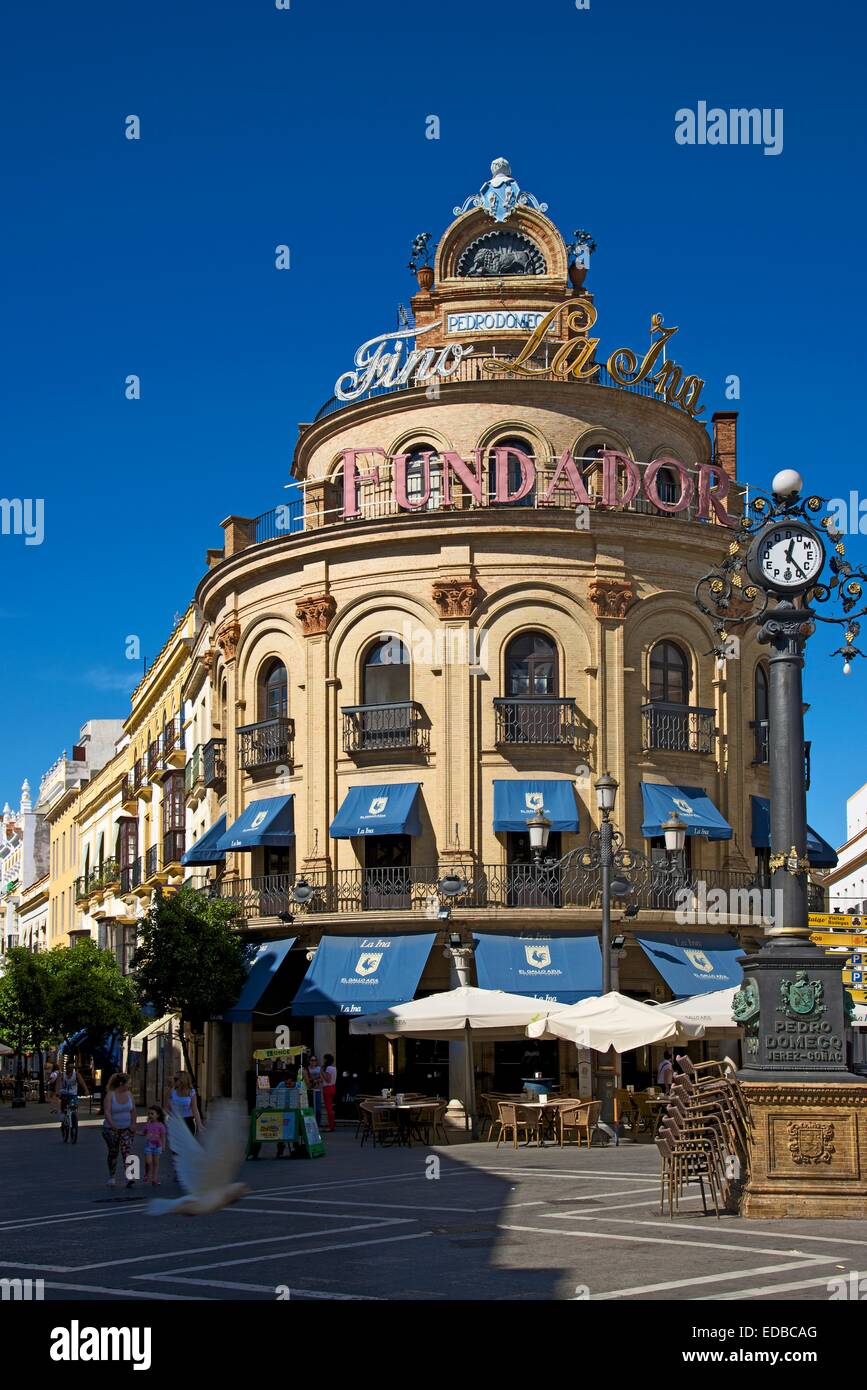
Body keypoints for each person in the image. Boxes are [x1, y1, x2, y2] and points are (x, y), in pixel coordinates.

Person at [102, 1072, 137, 1188]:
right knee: (113, 1152)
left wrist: (133, 1124)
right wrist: (112, 1125)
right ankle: (112, 1177)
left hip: (126, 1128)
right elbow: (106, 1112)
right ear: (121, 1083)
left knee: (127, 1151)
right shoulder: (110, 1095)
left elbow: (133, 1110)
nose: (130, 1086)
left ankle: (130, 1177)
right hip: (111, 1129)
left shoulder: (129, 1094)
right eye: (129, 1083)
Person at [138, 1104, 167, 1185]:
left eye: (152, 1114)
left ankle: (154, 1179)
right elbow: (143, 1133)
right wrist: (135, 1132)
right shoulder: (147, 1125)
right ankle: (147, 1173)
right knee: (149, 1162)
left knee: (156, 1163)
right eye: (149, 1114)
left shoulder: (161, 1125)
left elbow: (163, 1136)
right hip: (148, 1146)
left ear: (158, 1115)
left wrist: (163, 1146)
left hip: (158, 1147)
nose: (150, 1115)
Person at [168, 1071, 204, 1135]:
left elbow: (195, 1109)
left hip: (188, 1121)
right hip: (176, 1120)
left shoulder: (191, 1092)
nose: (173, 1080)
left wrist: (199, 1125)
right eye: (174, 1078)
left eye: (175, 1079)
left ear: (182, 1080)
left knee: (188, 1143)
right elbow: (168, 1108)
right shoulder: (172, 1091)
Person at [305, 1054, 323, 1126]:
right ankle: (311, 1123)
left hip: (317, 1090)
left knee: (318, 1109)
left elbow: (322, 1079)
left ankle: (317, 1124)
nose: (314, 1062)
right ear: (309, 1061)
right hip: (309, 1090)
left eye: (315, 1060)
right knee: (310, 1107)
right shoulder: (307, 1069)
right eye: (312, 1060)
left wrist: (317, 1080)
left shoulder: (319, 1068)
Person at [321, 1053, 337, 1133]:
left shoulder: (328, 1069)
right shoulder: (334, 1068)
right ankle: (332, 1125)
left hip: (327, 1088)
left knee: (329, 1108)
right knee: (330, 1108)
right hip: (333, 1087)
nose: (323, 1060)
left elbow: (327, 1079)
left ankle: (331, 1126)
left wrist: (322, 1071)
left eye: (324, 1059)